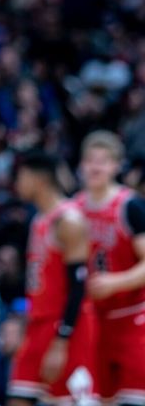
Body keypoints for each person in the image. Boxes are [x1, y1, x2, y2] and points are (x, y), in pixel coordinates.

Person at [7, 151, 96, 406]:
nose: (17, 184)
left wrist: (62, 341)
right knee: (18, 396)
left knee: (66, 401)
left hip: (66, 326)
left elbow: (79, 287)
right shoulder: (38, 220)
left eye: (21, 177)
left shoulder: (69, 220)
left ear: (38, 180)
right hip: (38, 323)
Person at [75, 130, 145, 406]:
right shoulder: (73, 209)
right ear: (81, 165)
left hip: (133, 318)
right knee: (97, 400)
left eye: (103, 161)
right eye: (91, 160)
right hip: (92, 321)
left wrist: (116, 282)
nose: (96, 166)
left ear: (116, 166)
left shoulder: (131, 207)